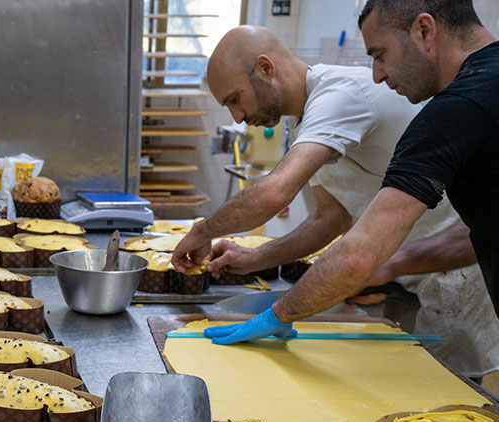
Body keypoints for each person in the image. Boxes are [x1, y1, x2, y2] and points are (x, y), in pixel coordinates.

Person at [170, 22, 499, 380]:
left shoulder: (341, 96)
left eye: (235, 99)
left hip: (454, 274)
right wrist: (254, 259)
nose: (236, 116)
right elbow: (330, 219)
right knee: (401, 385)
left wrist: (203, 231)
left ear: (266, 68)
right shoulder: (304, 118)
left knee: (448, 399)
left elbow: (275, 192)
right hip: (394, 269)